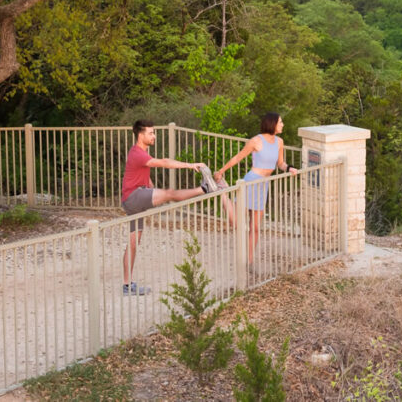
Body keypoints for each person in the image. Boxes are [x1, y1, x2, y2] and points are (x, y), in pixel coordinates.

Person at [120, 119, 214, 296]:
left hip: (132, 200)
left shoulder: (138, 153)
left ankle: (127, 286)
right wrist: (190, 165)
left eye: (154, 132)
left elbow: (145, 178)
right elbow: (163, 162)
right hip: (134, 197)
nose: (154, 136)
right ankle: (203, 189)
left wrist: (154, 193)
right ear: (140, 135)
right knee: (170, 193)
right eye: (150, 133)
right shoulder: (138, 154)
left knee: (133, 242)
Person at [214, 112, 298, 261]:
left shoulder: (279, 142)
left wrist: (290, 168)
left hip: (263, 185)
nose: (282, 124)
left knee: (256, 228)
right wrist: (221, 171)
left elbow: (280, 164)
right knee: (237, 222)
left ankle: (249, 260)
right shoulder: (255, 141)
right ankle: (223, 194)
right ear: (272, 124)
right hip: (251, 182)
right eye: (280, 122)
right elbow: (237, 158)